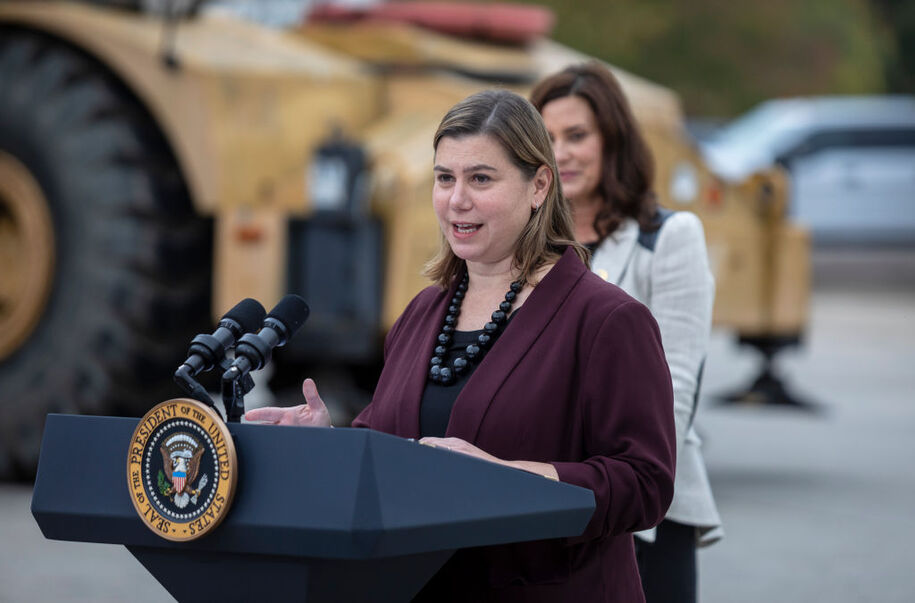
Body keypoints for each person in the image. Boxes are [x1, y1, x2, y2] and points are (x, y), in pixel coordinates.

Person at [246, 89, 675, 602]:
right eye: (444, 177)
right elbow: (395, 452)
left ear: (539, 185)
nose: (457, 200)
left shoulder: (607, 321)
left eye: (481, 179)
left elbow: (646, 484)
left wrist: (508, 477)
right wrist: (331, 442)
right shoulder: (422, 313)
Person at [531, 63, 723, 603]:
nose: (561, 152)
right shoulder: (524, 248)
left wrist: (623, 499)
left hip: (644, 508)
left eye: (577, 136)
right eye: (546, 138)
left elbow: (677, 386)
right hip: (546, 497)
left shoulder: (669, 238)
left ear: (613, 141)